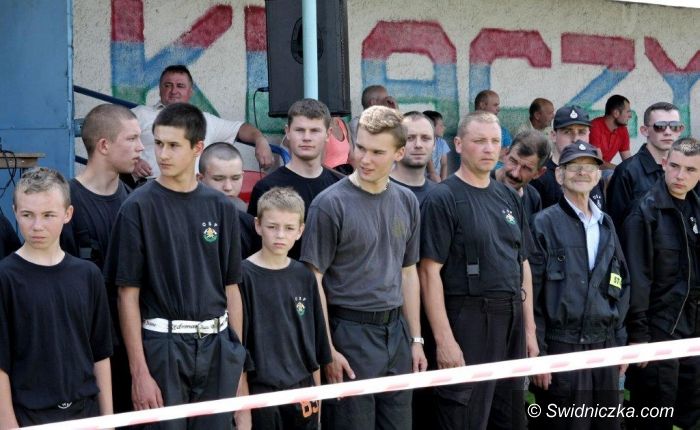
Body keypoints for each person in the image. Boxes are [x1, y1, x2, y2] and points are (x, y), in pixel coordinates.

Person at [104, 103, 247, 430]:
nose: (162, 154)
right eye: (158, 143)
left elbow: (231, 288)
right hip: (163, 348)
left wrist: (236, 357)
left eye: (173, 145)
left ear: (198, 147)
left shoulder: (222, 207)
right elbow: (126, 296)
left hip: (218, 347)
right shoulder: (137, 207)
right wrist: (139, 372)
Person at [301, 105, 427, 430]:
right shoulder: (329, 204)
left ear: (399, 153)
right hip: (348, 333)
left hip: (396, 334)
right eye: (360, 148)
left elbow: (408, 272)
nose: (365, 159)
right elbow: (312, 279)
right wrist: (328, 349)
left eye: (377, 152)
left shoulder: (407, 201)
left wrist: (416, 339)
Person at [420, 111, 537, 429]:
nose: (488, 148)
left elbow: (522, 264)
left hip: (511, 319)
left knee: (509, 418)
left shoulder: (508, 196)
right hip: (468, 320)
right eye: (480, 140)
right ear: (458, 145)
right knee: (465, 416)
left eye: (495, 141)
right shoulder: (442, 198)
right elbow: (428, 273)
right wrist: (444, 340)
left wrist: (529, 331)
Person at [0, 167, 113, 427]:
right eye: (27, 215)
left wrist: (108, 420)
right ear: (15, 212)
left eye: (48, 215)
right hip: (29, 417)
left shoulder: (88, 275)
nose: (37, 226)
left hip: (85, 413)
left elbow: (101, 354)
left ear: (67, 214)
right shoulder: (5, 278)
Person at [529, 142, 629, 430]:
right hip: (562, 347)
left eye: (589, 166)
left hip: (605, 347)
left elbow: (622, 283)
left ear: (598, 176)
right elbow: (532, 295)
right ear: (559, 175)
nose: (582, 172)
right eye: (573, 166)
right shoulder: (542, 224)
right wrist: (540, 355)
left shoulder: (606, 224)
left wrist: (620, 342)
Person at [61, 103, 143, 415]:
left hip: (133, 349)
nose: (141, 147)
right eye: (131, 139)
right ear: (104, 145)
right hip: (82, 351)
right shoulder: (65, 205)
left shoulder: (137, 202)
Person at [622, 137, 700, 430]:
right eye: (675, 166)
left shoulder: (696, 208)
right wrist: (639, 335)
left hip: (693, 328)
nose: (680, 176)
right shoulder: (644, 211)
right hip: (657, 330)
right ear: (664, 164)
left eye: (690, 170)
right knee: (654, 415)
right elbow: (636, 279)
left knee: (689, 413)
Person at [239, 187, 331, 429]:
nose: (280, 235)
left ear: (300, 230)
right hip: (262, 393)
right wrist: (243, 412)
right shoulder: (242, 276)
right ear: (258, 225)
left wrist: (318, 403)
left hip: (303, 390)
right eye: (272, 226)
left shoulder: (304, 276)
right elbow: (238, 350)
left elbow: (315, 348)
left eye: (289, 228)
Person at [131, 64, 273, 179]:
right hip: (151, 186)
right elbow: (118, 142)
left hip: (193, 190)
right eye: (168, 85)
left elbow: (241, 128)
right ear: (160, 89)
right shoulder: (140, 114)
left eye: (180, 86)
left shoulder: (204, 119)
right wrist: (133, 162)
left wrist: (260, 140)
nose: (173, 91)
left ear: (190, 92)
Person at [248, 99, 342, 260]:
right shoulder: (266, 188)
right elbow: (254, 250)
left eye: (314, 131)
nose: (306, 137)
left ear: (328, 134)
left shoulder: (340, 186)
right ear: (288, 132)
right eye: (300, 130)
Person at [607, 102, 684, 230]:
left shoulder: (688, 170)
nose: (668, 132)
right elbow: (615, 225)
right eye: (660, 126)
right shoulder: (626, 171)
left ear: (681, 130)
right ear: (644, 130)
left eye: (674, 126)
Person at [531, 105, 605, 210]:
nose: (575, 139)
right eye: (567, 132)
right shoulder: (540, 177)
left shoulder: (593, 174)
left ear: (589, 135)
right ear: (553, 136)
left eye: (582, 132)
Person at [198, 142, 261, 259]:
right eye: (218, 179)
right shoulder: (184, 219)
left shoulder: (250, 224)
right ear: (200, 179)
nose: (228, 187)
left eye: (235, 178)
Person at [493, 130, 550, 227]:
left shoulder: (533, 199)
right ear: (505, 154)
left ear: (539, 173)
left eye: (526, 168)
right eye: (513, 161)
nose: (515, 174)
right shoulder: (480, 186)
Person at [389, 111, 437, 205]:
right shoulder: (377, 190)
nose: (418, 145)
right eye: (409, 138)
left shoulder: (439, 195)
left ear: (434, 144)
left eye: (425, 138)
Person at [589, 95, 633, 166]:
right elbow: (598, 163)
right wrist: (619, 169)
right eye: (628, 112)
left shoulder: (623, 130)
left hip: (606, 170)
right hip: (588, 169)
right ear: (616, 113)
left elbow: (628, 162)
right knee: (611, 172)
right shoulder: (595, 126)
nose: (630, 116)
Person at [474, 89, 512, 167]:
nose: (498, 109)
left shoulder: (503, 131)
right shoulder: (468, 129)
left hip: (504, 173)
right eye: (495, 105)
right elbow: (473, 157)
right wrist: (499, 153)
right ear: (482, 105)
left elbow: (512, 154)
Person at [423, 110, 451, 182]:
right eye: (441, 125)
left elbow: (444, 164)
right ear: (431, 127)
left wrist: (443, 181)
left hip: (437, 180)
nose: (444, 128)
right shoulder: (424, 144)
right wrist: (439, 183)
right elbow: (431, 172)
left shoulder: (442, 143)